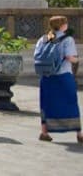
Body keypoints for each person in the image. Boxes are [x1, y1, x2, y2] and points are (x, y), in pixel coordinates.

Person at [36, 15, 81, 143]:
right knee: (70, 102)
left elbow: (37, 55)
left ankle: (44, 132)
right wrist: (77, 59)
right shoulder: (67, 39)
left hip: (46, 75)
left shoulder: (44, 38)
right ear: (62, 25)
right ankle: (79, 133)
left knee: (47, 103)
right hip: (63, 75)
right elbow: (69, 57)